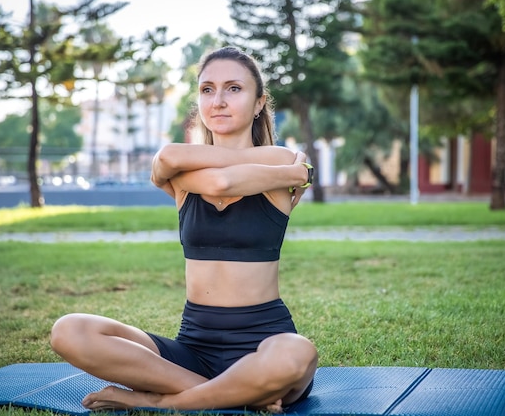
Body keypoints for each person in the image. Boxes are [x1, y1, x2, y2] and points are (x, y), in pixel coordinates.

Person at [49, 46, 318, 413]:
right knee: (70, 329)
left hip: (263, 342)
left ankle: (159, 402)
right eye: (207, 89)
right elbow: (173, 160)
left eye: (233, 89)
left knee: (296, 352)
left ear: (259, 103)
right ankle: (239, 394)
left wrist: (287, 169)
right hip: (192, 348)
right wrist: (296, 176)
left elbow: (216, 181)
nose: (218, 101)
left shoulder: (278, 157)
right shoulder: (283, 167)